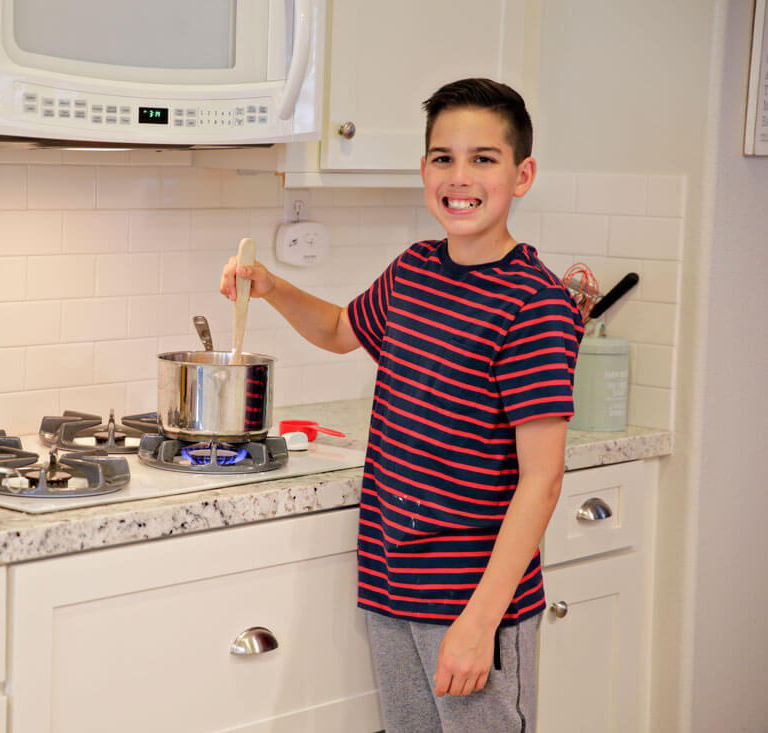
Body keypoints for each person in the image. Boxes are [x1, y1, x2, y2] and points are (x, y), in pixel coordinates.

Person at [219, 78, 583, 732]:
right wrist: (270, 286)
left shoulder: (534, 305)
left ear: (522, 174)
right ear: (423, 170)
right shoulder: (414, 270)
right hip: (393, 582)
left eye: (483, 158)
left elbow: (543, 478)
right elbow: (338, 329)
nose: (460, 175)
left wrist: (479, 622)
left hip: (474, 596)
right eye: (443, 157)